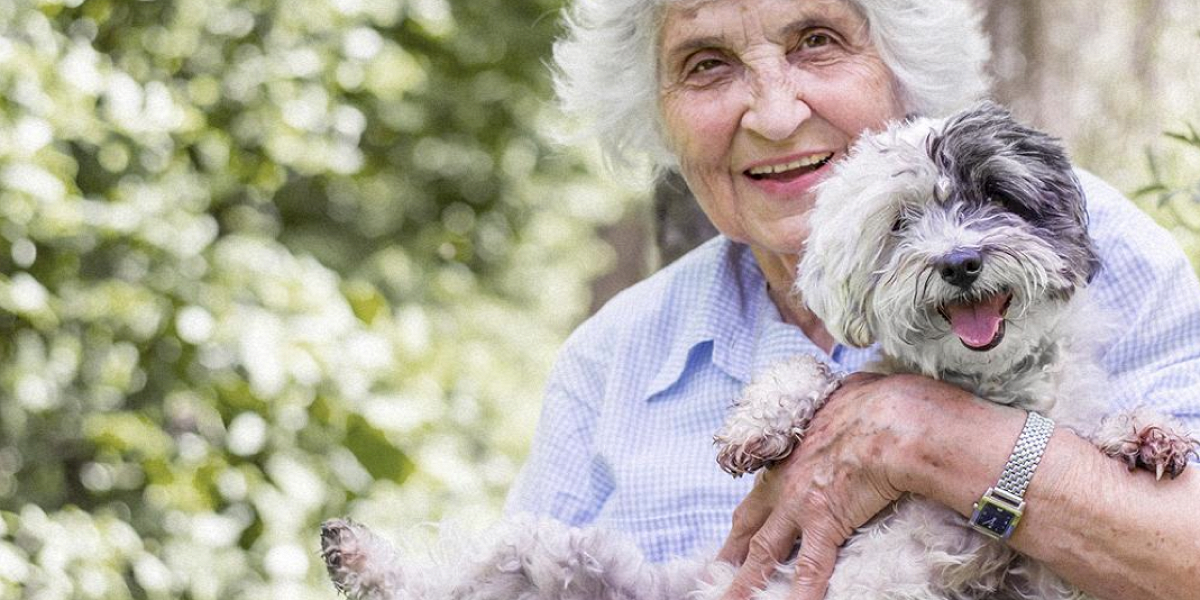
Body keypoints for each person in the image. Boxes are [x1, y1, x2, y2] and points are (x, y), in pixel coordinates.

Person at [505, 1, 1200, 599]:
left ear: (902, 60)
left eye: (816, 40)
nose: (775, 116)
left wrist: (931, 435)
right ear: (656, 111)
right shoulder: (612, 357)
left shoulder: (1068, 230)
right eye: (707, 63)